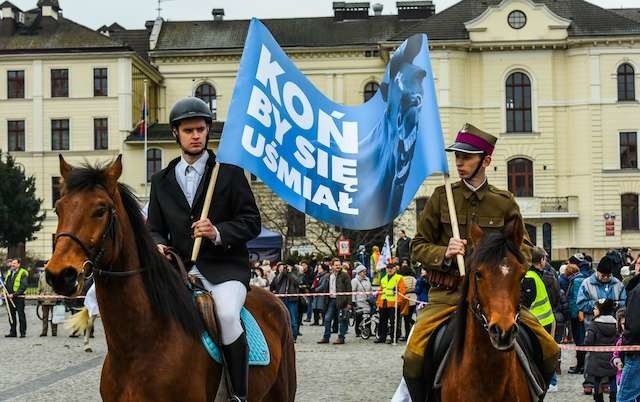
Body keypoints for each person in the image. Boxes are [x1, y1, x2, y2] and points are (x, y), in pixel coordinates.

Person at [398, 123, 558, 401]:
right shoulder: (440, 198)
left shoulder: (504, 202)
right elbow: (417, 247)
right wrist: (444, 252)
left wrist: (498, 257)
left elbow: (525, 249)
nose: (459, 163)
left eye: (467, 157)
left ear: (486, 160)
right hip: (448, 298)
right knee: (413, 355)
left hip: (496, 298)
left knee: (549, 350)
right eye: (457, 157)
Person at [147, 96, 261, 402]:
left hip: (224, 268)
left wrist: (217, 231)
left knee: (225, 314)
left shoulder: (229, 173)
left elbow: (252, 222)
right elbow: (154, 227)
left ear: (208, 131)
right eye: (188, 130)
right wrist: (157, 244)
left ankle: (238, 393)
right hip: (179, 268)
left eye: (200, 129)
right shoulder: (161, 180)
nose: (196, 135)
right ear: (176, 133)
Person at [521, 247, 557, 391]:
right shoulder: (530, 277)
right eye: (545, 258)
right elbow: (525, 305)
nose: (546, 261)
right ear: (541, 260)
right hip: (536, 327)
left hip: (542, 324)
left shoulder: (535, 275)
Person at [583, 299, 618, 402]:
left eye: (595, 308)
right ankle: (614, 398)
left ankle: (598, 399)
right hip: (612, 359)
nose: (594, 310)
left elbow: (588, 341)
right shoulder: (615, 323)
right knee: (613, 379)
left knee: (597, 380)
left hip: (596, 359)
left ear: (600, 310)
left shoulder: (594, 324)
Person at [618, 266, 640, 402]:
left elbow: (635, 325)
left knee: (625, 396)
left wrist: (626, 347)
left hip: (636, 352)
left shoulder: (637, 290)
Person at [317, 258, 351, 345]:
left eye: (339, 265)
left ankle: (341, 337)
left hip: (342, 300)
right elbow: (325, 288)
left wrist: (349, 303)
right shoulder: (328, 276)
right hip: (331, 300)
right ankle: (326, 337)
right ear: (331, 266)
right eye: (336, 265)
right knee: (327, 319)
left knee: (342, 319)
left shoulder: (345, 275)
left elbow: (349, 290)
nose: (338, 266)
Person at [271, 263, 301, 342]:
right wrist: (282, 273)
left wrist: (290, 273)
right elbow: (277, 282)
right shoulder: (282, 274)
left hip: (292, 299)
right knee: (282, 318)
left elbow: (297, 282)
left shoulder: (296, 273)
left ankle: (293, 336)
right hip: (282, 298)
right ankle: (283, 335)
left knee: (293, 319)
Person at [4, 258, 28, 338]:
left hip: (19, 298)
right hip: (10, 299)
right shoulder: (9, 273)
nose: (12, 265)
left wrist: (14, 294)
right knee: (11, 315)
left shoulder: (23, 273)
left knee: (21, 315)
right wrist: (3, 292)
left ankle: (22, 332)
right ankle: (13, 332)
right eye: (12, 263)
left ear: (18, 264)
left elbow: (23, 286)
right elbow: (6, 284)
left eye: (14, 263)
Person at [351, 264, 372, 337]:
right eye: (363, 271)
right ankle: (358, 331)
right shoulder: (354, 281)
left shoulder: (368, 279)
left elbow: (370, 290)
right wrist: (353, 302)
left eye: (365, 271)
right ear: (359, 272)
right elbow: (353, 291)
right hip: (359, 302)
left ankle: (368, 331)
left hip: (367, 301)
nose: (364, 273)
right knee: (359, 317)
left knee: (368, 317)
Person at [37, 266, 58, 336]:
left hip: (53, 298)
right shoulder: (42, 275)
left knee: (54, 316)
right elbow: (39, 287)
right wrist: (39, 296)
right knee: (45, 316)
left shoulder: (55, 275)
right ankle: (44, 331)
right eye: (45, 265)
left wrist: (57, 296)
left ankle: (54, 332)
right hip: (44, 299)